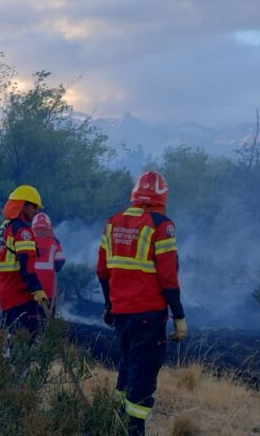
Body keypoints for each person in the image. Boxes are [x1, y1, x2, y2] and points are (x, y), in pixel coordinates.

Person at [96, 171, 187, 435]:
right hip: (149, 315)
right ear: (162, 197)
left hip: (122, 314)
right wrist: (179, 316)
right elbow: (168, 277)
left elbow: (102, 271)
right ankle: (133, 430)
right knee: (143, 373)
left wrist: (109, 306)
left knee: (126, 368)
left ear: (135, 196)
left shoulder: (113, 222)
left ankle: (115, 424)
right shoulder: (162, 225)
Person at [0, 185, 48, 343]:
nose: (36, 211)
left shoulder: (2, 229)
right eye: (33, 206)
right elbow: (27, 263)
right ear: (22, 205)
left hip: (5, 293)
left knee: (11, 338)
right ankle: (22, 368)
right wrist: (37, 289)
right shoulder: (22, 231)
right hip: (20, 294)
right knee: (29, 341)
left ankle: (9, 366)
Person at [31, 212, 66, 316]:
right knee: (47, 316)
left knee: (30, 316)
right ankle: (47, 331)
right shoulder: (54, 242)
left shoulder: (29, 241)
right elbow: (60, 261)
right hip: (48, 289)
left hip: (31, 287)